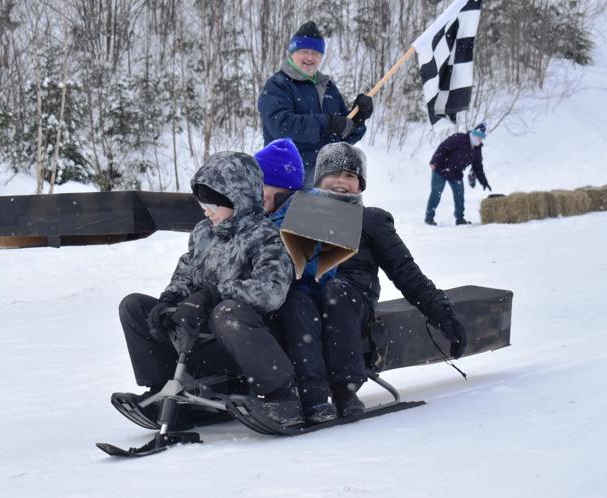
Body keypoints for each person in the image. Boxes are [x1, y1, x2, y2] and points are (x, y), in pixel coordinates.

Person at [279, 142, 468, 423]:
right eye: (333, 174)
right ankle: (309, 395)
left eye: (350, 175)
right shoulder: (304, 216)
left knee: (334, 291)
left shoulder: (370, 220)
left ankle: (344, 389)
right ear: (319, 179)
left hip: (351, 298)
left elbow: (406, 272)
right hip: (308, 296)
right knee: (294, 298)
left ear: (360, 186)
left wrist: (442, 313)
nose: (341, 181)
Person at [115, 151, 304, 425]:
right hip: (203, 342)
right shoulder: (204, 233)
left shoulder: (267, 238)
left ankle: (283, 397)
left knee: (226, 312)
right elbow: (186, 272)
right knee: (134, 306)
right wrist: (169, 300)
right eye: (203, 202)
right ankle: (163, 391)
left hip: (249, 343)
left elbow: (271, 292)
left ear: (238, 200)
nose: (207, 210)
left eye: (215, 203)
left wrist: (213, 295)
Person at [258, 21, 374, 188]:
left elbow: (343, 135)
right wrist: (326, 124)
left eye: (316, 53)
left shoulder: (328, 88)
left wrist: (358, 118)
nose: (310, 58)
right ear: (292, 53)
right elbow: (282, 126)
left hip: (325, 176)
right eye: (304, 51)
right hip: (286, 176)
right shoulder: (278, 85)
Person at [424, 122, 491, 226]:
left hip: (456, 173)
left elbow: (478, 167)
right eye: (478, 136)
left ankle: (460, 219)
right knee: (436, 193)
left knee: (459, 195)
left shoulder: (477, 149)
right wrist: (434, 162)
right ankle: (429, 218)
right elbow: (443, 147)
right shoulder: (460, 138)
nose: (479, 139)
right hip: (441, 168)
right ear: (473, 133)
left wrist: (484, 182)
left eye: (482, 137)